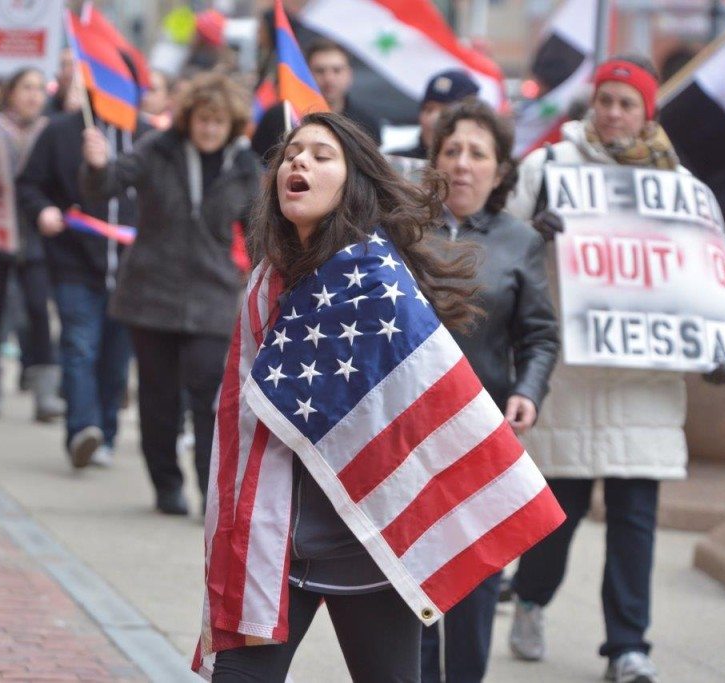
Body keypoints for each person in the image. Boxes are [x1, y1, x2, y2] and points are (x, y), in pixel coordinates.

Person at [204, 112, 495, 683]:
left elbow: (414, 409)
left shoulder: (375, 277)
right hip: (276, 542)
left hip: (368, 548)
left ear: (350, 183)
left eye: (320, 155)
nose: (299, 163)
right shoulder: (267, 280)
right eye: (291, 154)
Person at [505, 56, 688, 683]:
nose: (613, 113)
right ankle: (530, 598)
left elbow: (699, 274)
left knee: (636, 521)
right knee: (558, 518)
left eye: (626, 103)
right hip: (571, 376)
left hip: (644, 380)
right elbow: (500, 242)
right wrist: (536, 233)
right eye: (605, 100)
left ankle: (628, 648)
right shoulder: (548, 168)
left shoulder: (675, 184)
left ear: (646, 114)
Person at [420, 100, 560, 683]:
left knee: (474, 582)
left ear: (500, 171)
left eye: (477, 153)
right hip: (407, 436)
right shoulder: (403, 232)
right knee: (413, 581)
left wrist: (528, 389)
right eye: (451, 150)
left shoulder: (519, 241)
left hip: (483, 437)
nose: (462, 163)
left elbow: (540, 336)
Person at [80, 72, 261, 515]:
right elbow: (105, 187)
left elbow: (261, 231)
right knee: (158, 398)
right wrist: (97, 164)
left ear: (232, 124)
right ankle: (166, 484)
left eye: (218, 122)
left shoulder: (245, 166)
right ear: (189, 118)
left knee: (208, 396)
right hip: (150, 293)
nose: (210, 129)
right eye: (203, 119)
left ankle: (209, 493)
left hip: (212, 297)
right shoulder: (158, 149)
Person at [17, 92, 151, 470]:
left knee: (115, 357)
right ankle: (82, 430)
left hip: (132, 271)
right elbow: (29, 184)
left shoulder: (148, 138)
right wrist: (42, 210)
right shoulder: (60, 132)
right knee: (79, 347)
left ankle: (105, 434)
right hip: (74, 262)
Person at [0, 67, 63, 423]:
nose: (34, 95)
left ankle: (44, 393)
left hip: (34, 234)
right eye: (27, 88)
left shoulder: (50, 130)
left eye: (40, 88)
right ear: (11, 92)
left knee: (39, 309)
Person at [251, 40, 382, 161]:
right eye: (320, 71)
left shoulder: (366, 123)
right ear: (306, 74)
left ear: (349, 74)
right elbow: (257, 166)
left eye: (337, 70)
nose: (329, 78)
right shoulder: (280, 116)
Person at [390, 69, 480, 160]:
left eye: (446, 112)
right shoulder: (396, 163)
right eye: (428, 110)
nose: (433, 119)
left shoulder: (477, 169)